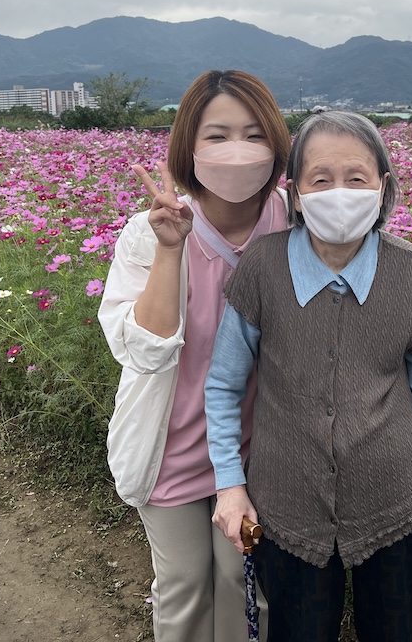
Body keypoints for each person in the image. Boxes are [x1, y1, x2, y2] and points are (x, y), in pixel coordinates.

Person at [205, 111, 412, 642]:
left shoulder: (409, 270)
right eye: (321, 179)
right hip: (287, 508)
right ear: (294, 193)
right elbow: (224, 385)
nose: (339, 192)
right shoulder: (263, 268)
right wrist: (230, 486)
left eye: (356, 178)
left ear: (382, 187)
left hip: (393, 507)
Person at [98, 70, 291, 642]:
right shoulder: (147, 232)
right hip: (173, 447)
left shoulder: (294, 223)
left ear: (278, 145)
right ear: (188, 146)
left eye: (255, 135)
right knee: (184, 584)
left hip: (260, 452)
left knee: (245, 580)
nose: (237, 151)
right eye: (217, 135)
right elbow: (141, 352)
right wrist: (168, 249)